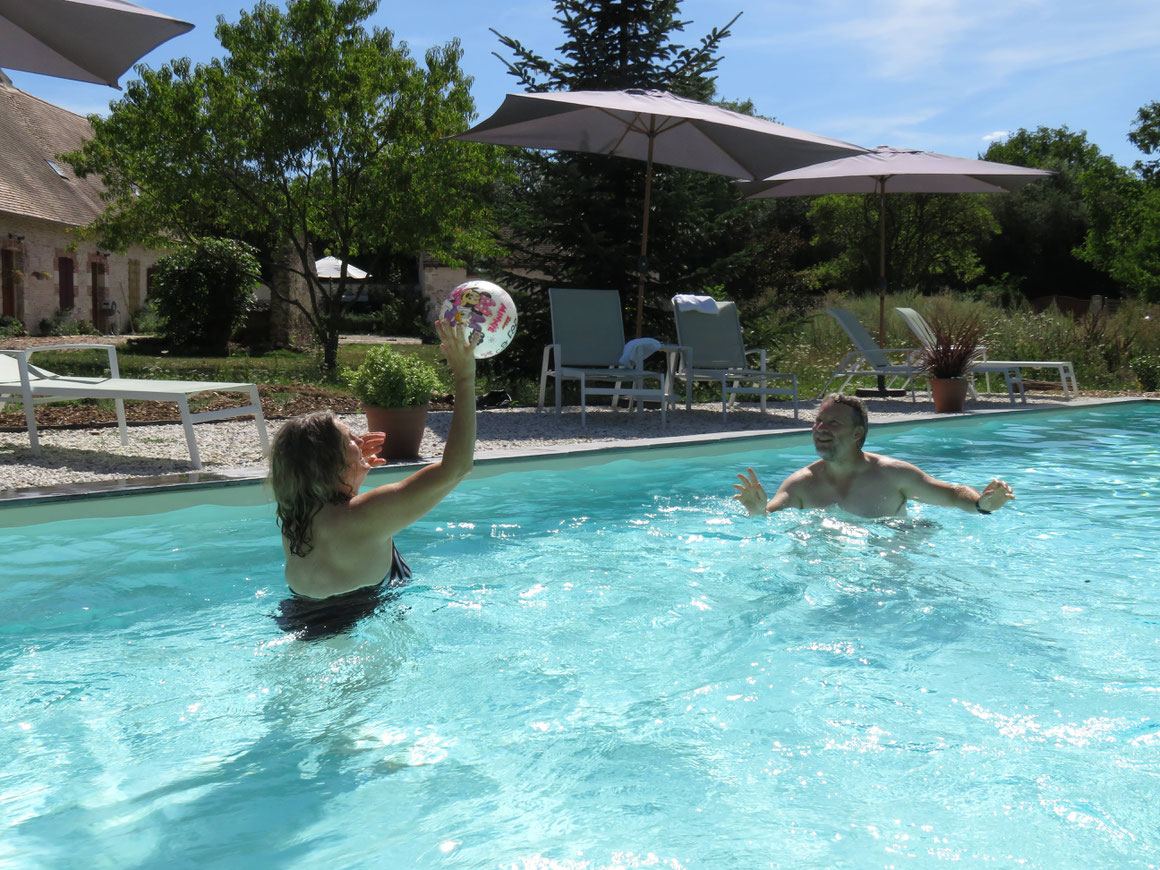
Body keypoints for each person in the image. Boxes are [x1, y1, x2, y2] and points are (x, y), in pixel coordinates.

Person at [269, 320, 475, 637]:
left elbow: (342, 538)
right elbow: (457, 468)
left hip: (295, 617)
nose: (360, 440)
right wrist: (464, 377)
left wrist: (350, 476)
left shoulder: (294, 513)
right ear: (332, 463)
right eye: (351, 439)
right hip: (357, 624)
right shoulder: (366, 515)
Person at [733, 393, 1014, 519]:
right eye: (818, 421)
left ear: (857, 434)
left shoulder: (893, 474)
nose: (820, 429)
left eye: (833, 423)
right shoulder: (801, 484)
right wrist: (756, 510)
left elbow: (953, 494)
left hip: (892, 554)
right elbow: (768, 515)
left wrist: (981, 503)